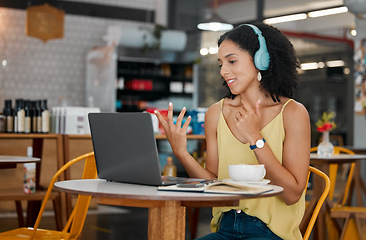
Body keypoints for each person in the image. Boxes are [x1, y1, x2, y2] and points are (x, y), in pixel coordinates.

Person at [154, 23, 310, 240]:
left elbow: (292, 194)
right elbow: (214, 187)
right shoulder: (215, 113)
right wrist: (182, 153)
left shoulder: (293, 113)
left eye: (232, 61)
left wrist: (255, 138)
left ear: (261, 60)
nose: (223, 71)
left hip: (271, 233)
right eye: (220, 63)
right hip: (225, 228)